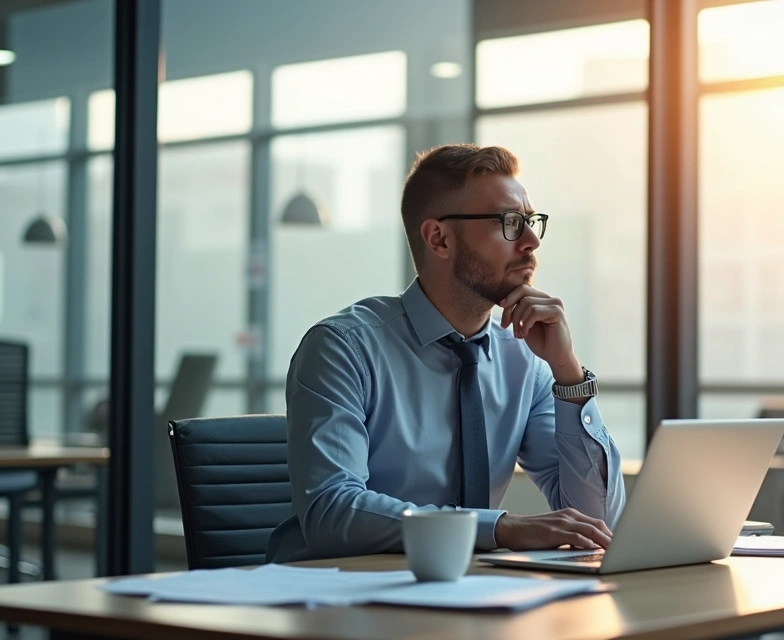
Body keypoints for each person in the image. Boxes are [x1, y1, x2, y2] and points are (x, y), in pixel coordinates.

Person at [267, 144, 626, 562]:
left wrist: (568, 373)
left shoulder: (526, 361)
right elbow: (332, 511)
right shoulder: (343, 349)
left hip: (466, 597)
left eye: (531, 222)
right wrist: (500, 528)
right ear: (439, 238)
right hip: (335, 598)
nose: (531, 242)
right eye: (510, 222)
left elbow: (597, 519)